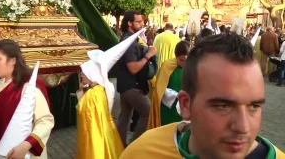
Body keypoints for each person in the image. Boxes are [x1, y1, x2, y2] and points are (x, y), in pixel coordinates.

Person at [119, 33, 285, 159]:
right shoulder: (144, 153)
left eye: (254, 106)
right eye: (223, 106)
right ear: (185, 105)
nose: (243, 128)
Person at [0, 39, 54, 159]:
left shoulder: (29, 87)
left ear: (13, 60)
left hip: (21, 151)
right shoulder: (0, 83)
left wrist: (25, 146)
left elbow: (46, 121)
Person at [75, 28, 146, 159]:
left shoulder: (92, 95)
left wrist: (81, 92)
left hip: (95, 141)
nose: (82, 75)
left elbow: (83, 112)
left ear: (93, 74)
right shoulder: (100, 89)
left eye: (84, 72)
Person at [116, 10, 157, 147]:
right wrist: (148, 55)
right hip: (132, 87)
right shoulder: (129, 43)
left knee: (125, 116)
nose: (141, 24)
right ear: (129, 23)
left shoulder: (130, 39)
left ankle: (119, 146)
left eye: (142, 21)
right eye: (138, 22)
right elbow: (133, 68)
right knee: (148, 112)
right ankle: (135, 145)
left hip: (125, 85)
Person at [148, 41, 190, 129]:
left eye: (187, 60)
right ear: (176, 57)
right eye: (181, 60)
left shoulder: (193, 67)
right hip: (169, 108)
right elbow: (160, 89)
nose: (184, 63)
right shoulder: (167, 66)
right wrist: (175, 95)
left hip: (186, 106)